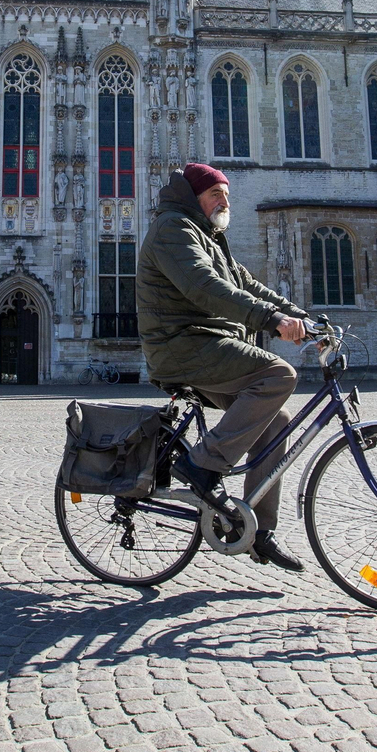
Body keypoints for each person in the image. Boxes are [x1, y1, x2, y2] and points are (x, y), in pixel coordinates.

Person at [136, 163, 312, 571]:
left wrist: (302, 317)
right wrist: (270, 321)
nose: (225, 202)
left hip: (208, 344)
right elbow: (203, 286)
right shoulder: (173, 230)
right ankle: (201, 464)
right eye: (217, 194)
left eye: (227, 195)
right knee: (278, 374)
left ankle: (255, 530)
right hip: (182, 346)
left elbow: (246, 285)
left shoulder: (208, 235)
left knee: (277, 419)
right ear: (195, 196)